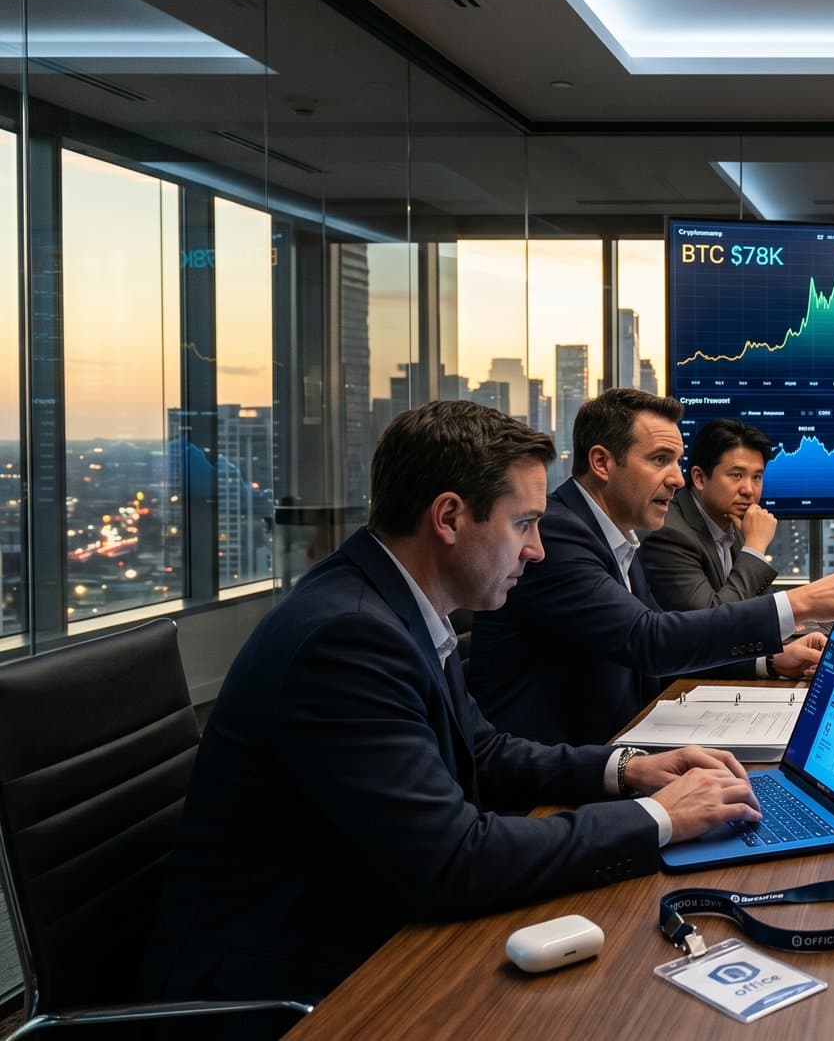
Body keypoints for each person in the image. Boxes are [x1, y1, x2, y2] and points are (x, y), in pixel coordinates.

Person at [145, 401, 765, 1017]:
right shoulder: (348, 638)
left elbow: (482, 748)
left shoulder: (397, 603)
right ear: (448, 517)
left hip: (374, 916)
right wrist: (656, 817)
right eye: (524, 524)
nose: (538, 551)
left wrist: (625, 770)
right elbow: (454, 861)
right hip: (296, 984)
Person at [467, 390, 834, 746]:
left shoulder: (616, 536)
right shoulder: (559, 535)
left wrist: (767, 663)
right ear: (602, 463)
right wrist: (798, 603)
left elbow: (658, 643)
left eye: (676, 462)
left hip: (611, 745)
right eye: (659, 460)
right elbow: (649, 640)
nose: (676, 479)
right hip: (553, 779)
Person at [642, 418, 780, 610]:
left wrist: (788, 640)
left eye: (756, 477)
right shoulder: (669, 534)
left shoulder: (738, 523)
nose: (749, 490)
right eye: (737, 475)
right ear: (699, 478)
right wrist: (755, 548)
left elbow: (759, 608)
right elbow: (712, 622)